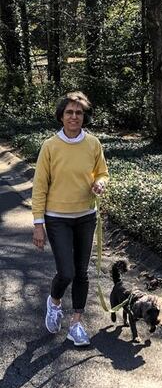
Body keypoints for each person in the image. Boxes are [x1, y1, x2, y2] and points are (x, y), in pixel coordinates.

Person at [32, 92, 109, 347]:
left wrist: (99, 183)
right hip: (57, 219)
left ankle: (76, 323)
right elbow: (40, 186)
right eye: (69, 112)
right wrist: (38, 223)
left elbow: (103, 173)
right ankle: (54, 303)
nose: (74, 116)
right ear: (61, 116)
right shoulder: (50, 146)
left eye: (78, 112)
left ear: (84, 116)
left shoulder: (93, 144)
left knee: (82, 273)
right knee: (66, 272)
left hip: (86, 216)